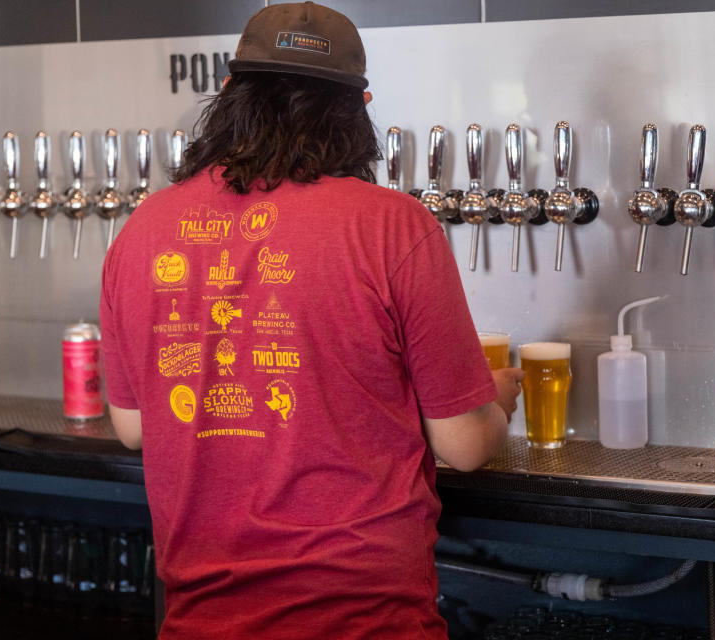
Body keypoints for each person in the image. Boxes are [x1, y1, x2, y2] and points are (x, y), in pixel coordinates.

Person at [98, 2, 524, 638]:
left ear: (226, 91)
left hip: (201, 620)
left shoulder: (142, 230)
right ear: (360, 108)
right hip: (365, 621)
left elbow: (133, 427)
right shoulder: (392, 225)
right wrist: (498, 399)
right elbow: (461, 446)